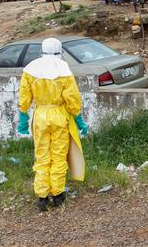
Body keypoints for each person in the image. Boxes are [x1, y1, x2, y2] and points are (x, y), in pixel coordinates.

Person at [17, 38, 87, 211]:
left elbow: (24, 97)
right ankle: (57, 194)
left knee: (41, 156)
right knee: (58, 155)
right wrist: (79, 120)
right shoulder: (63, 70)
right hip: (59, 116)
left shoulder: (30, 70)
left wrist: (23, 118)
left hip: (40, 115)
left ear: (42, 51)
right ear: (60, 52)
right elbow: (73, 99)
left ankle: (41, 196)